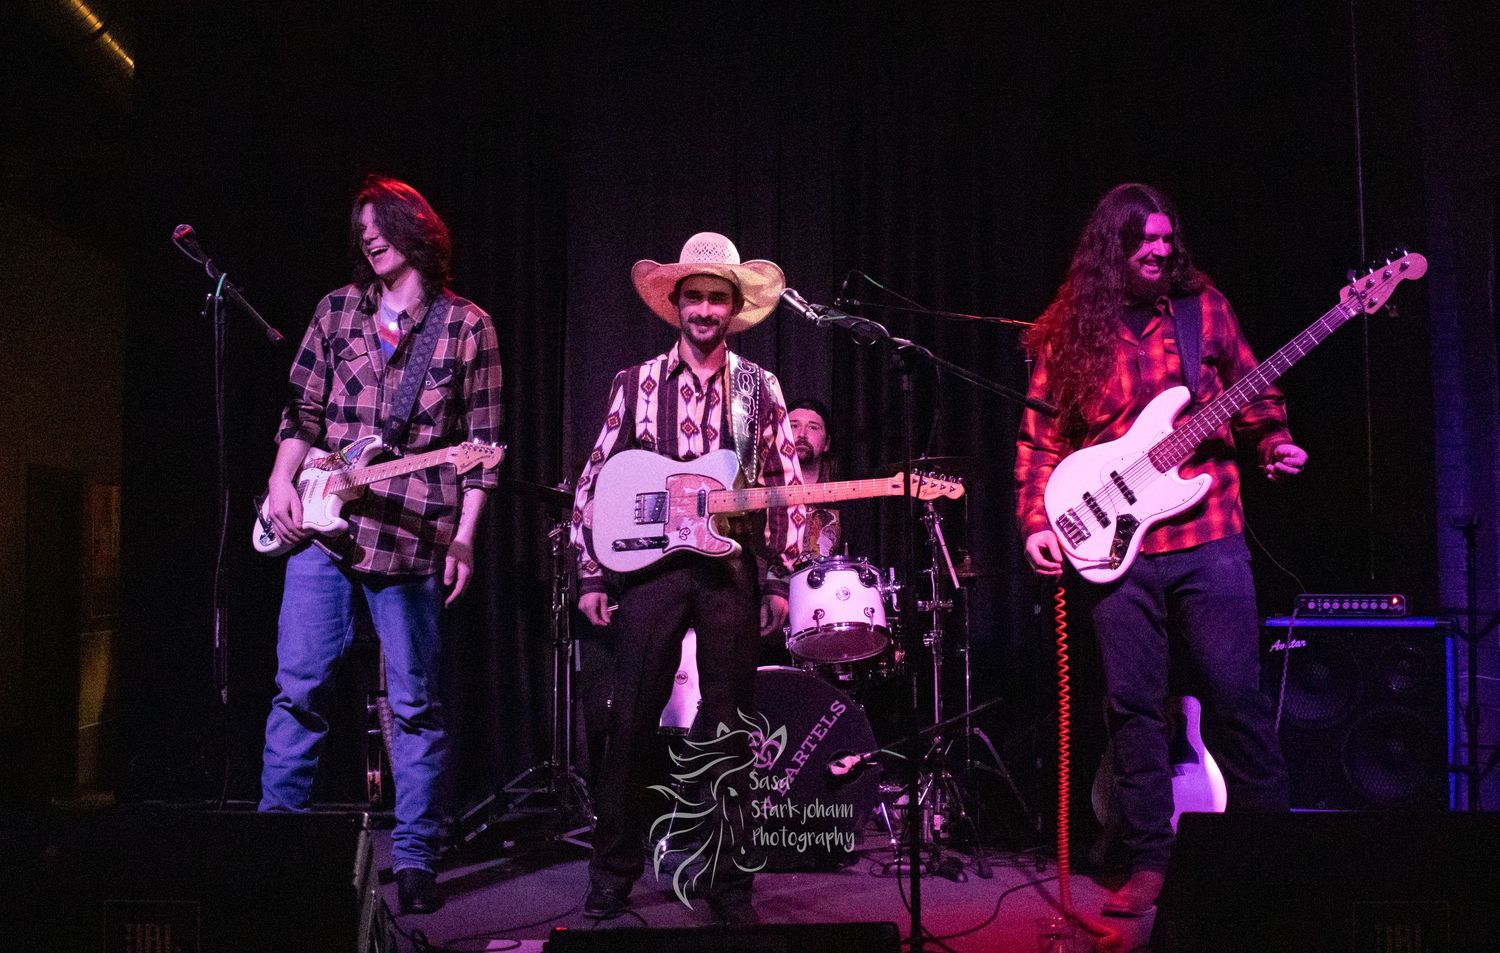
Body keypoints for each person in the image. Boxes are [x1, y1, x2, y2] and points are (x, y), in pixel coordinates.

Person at [1014, 183, 1306, 917]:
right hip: (1115, 545)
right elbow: (1039, 437)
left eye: (1167, 238)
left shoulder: (1204, 308)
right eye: (1144, 239)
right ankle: (1149, 861)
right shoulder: (1068, 331)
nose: (1160, 249)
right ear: (1111, 247)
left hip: (1210, 533)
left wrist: (1272, 442)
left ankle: (1271, 856)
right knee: (1133, 709)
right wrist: (1037, 522)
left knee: (1235, 696)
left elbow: (1255, 392)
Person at [259, 176, 502, 916]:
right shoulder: (337, 310)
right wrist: (280, 482)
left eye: (381, 222)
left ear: (415, 229)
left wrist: (464, 539)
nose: (367, 235)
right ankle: (273, 848)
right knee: (298, 690)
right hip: (322, 531)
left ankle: (418, 855)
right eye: (360, 225)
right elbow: (301, 411)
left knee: (415, 703)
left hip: (412, 533)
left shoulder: (467, 327)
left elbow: (483, 451)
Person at [571, 232, 803, 925]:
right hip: (652, 572)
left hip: (729, 569)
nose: (704, 309)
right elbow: (595, 479)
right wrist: (592, 572)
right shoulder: (634, 382)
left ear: (733, 308)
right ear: (676, 303)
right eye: (694, 296)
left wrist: (778, 578)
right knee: (631, 720)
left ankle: (729, 885)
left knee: (729, 728)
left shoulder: (760, 388)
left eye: (716, 298)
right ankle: (613, 872)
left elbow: (784, 482)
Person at [788, 397, 842, 556]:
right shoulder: (763, 492)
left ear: (827, 443)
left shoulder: (844, 498)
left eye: (813, 427)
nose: (802, 434)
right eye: (793, 426)